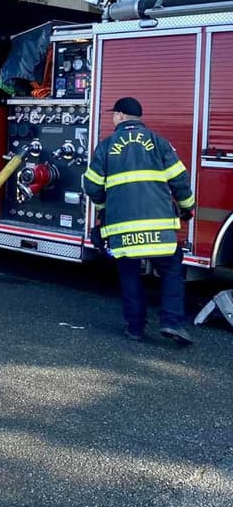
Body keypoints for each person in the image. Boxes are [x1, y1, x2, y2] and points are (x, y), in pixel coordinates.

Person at [83, 96, 195, 345]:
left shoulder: (106, 145)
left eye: (114, 114)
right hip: (160, 228)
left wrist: (104, 207)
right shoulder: (159, 142)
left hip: (123, 229)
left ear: (121, 116)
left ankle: (135, 328)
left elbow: (91, 185)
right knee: (171, 270)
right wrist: (187, 208)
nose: (113, 118)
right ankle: (172, 322)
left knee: (130, 273)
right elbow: (179, 179)